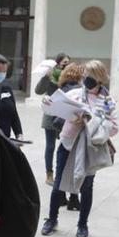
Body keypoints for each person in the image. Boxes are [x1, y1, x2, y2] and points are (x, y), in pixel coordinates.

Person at [40, 61, 118, 237]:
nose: (85, 80)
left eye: (89, 77)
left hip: (91, 148)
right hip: (68, 143)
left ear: (99, 79)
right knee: (58, 184)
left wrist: (90, 122)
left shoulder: (107, 101)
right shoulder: (74, 93)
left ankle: (82, 225)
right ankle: (52, 220)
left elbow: (114, 127)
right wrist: (48, 103)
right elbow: (54, 109)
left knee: (87, 186)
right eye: (84, 76)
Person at [54, 63, 86, 211]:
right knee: (74, 167)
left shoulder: (62, 89)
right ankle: (73, 198)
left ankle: (60, 197)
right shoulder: (79, 92)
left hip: (63, 132)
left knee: (61, 167)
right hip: (74, 133)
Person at [36, 53, 71, 186]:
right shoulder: (50, 76)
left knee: (65, 146)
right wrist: (46, 77)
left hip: (65, 116)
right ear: (57, 63)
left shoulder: (70, 77)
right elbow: (38, 91)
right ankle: (49, 174)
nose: (65, 65)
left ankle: (61, 173)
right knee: (50, 146)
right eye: (63, 62)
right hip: (51, 115)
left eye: (67, 62)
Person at [0, 53, 23, 139]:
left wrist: (19, 134)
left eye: (4, 72)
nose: (1, 74)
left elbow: (14, 114)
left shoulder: (7, 88)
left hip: (5, 140)